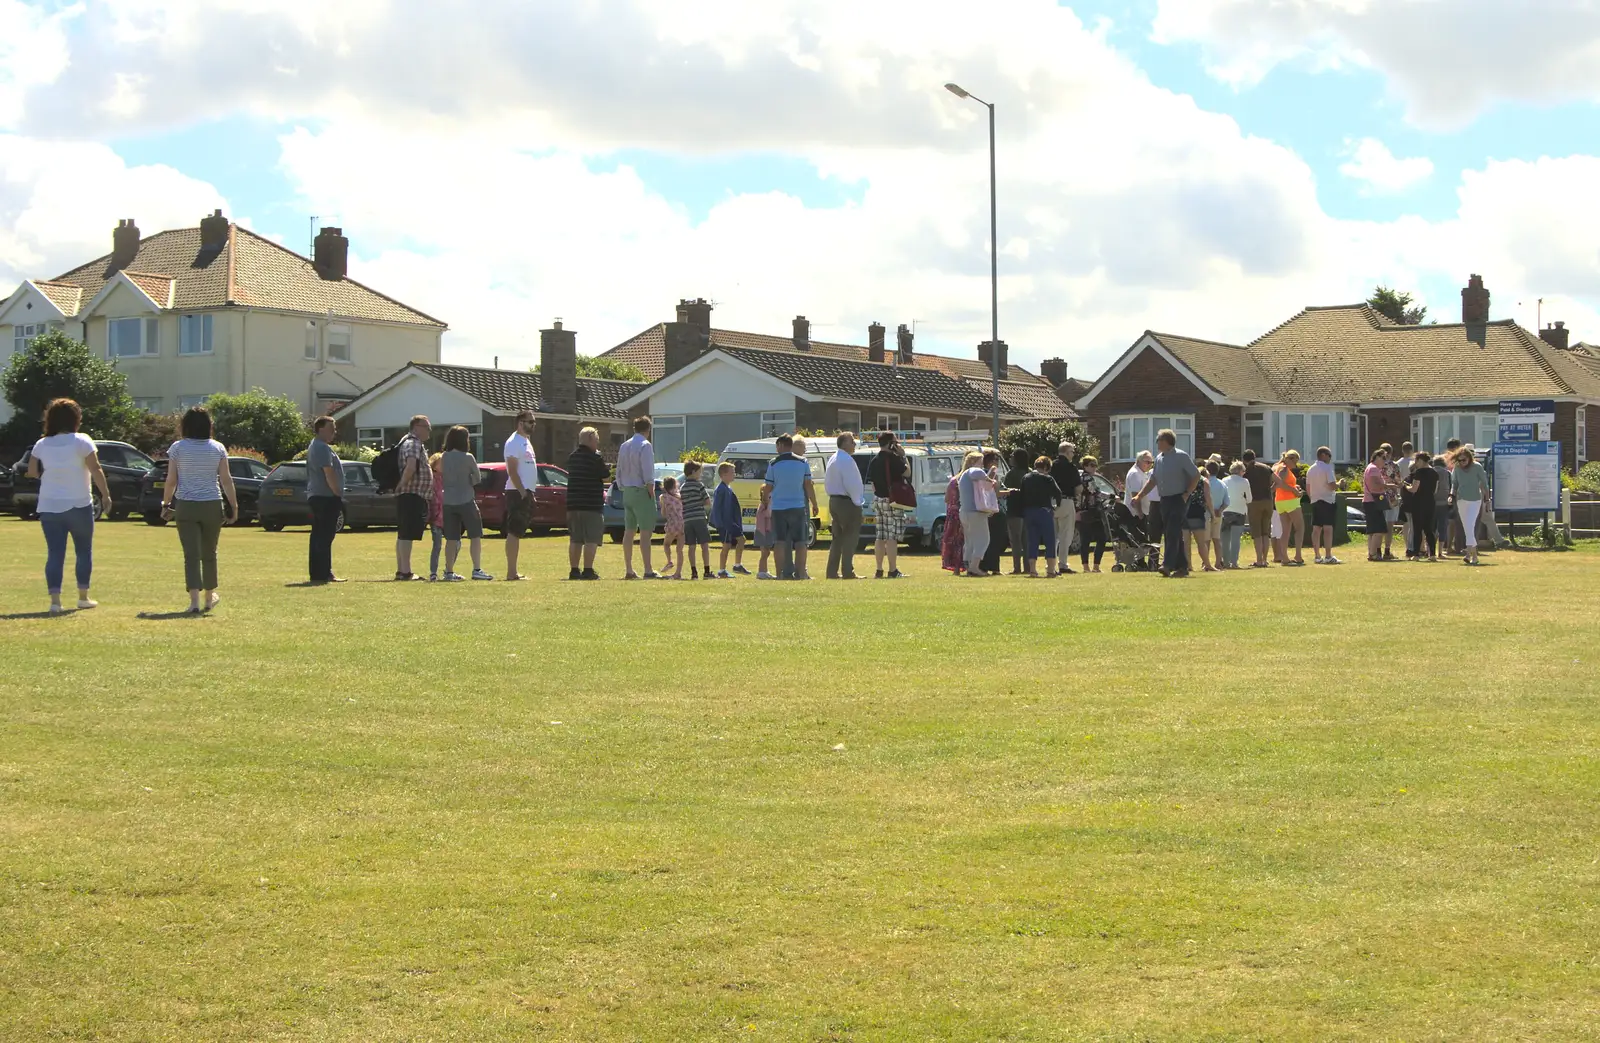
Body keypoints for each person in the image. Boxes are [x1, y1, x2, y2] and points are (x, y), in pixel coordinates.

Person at [28, 398, 113, 614]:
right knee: (83, 551)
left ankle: (55, 601)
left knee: (55, 553)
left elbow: (32, 472)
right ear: (75, 419)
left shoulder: (41, 444)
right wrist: (105, 495)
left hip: (49, 505)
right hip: (79, 503)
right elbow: (96, 469)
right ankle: (83, 597)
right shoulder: (82, 441)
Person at [159, 405, 238, 613]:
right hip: (212, 503)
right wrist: (234, 504)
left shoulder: (178, 448)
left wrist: (166, 503)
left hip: (186, 504)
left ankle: (194, 601)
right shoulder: (218, 448)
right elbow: (226, 480)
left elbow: (171, 480)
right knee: (209, 552)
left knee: (191, 554)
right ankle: (209, 599)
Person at [1134, 429, 1200, 578]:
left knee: (1172, 531)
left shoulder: (1181, 456)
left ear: (1166, 441)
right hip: (1165, 499)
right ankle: (1182, 567)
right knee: (1173, 533)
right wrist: (1139, 495)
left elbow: (1196, 475)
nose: (1157, 443)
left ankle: (1168, 565)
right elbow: (1153, 480)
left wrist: (1187, 493)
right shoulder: (1159, 459)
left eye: (1159, 440)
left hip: (1179, 498)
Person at [439, 425, 491, 581]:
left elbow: (442, 476)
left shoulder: (444, 457)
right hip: (466, 499)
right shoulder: (468, 457)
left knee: (451, 538)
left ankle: (449, 571)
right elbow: (477, 479)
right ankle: (476, 569)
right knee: (475, 535)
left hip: (448, 500)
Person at [765, 434, 816, 580]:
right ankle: (801, 573)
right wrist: (814, 503)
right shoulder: (802, 462)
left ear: (781, 445)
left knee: (780, 542)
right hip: (798, 506)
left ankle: (780, 574)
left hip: (779, 508)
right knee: (801, 542)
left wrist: (765, 499)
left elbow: (768, 486)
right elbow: (808, 485)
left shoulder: (773, 463)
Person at [617, 416, 659, 580]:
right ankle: (648, 569)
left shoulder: (624, 445)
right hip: (641, 490)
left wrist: (622, 486)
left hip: (626, 490)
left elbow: (619, 468)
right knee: (646, 532)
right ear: (648, 429)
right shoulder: (645, 445)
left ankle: (629, 569)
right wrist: (651, 490)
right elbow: (648, 471)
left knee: (629, 531)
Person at [564, 426, 609, 581]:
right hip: (591, 504)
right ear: (590, 439)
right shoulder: (595, 458)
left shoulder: (572, 457)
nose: (597, 443)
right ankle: (588, 570)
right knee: (591, 539)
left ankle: (574, 570)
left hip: (573, 504)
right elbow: (605, 475)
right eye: (596, 439)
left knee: (575, 539)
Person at [304, 416, 344, 585]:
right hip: (325, 497)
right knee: (324, 536)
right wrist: (337, 493)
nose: (334, 432)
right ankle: (323, 573)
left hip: (319, 496)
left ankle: (319, 572)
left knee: (320, 535)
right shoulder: (320, 447)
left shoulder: (319, 446)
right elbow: (328, 472)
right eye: (331, 428)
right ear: (321, 429)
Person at [393, 414, 432, 581]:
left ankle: (402, 569)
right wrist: (402, 485)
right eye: (426, 427)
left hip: (412, 494)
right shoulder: (413, 443)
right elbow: (410, 467)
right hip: (411, 494)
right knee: (407, 534)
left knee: (404, 533)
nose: (429, 430)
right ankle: (405, 571)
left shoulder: (409, 442)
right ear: (416, 427)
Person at [502, 410, 538, 581]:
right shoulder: (513, 442)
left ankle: (513, 571)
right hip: (516, 492)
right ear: (520, 423)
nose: (533, 425)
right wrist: (523, 492)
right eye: (530, 422)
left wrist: (530, 491)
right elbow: (512, 470)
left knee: (519, 531)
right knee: (514, 531)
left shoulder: (526, 441)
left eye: (534, 422)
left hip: (526, 491)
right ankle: (511, 572)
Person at [824, 432, 865, 580]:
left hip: (834, 501)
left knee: (837, 538)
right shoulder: (846, 460)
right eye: (852, 441)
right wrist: (857, 502)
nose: (854, 444)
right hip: (846, 502)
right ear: (844, 443)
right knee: (850, 537)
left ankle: (831, 572)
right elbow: (852, 484)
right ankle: (848, 571)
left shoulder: (833, 458)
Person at [867, 432, 908, 579]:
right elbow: (907, 473)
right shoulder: (894, 459)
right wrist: (903, 456)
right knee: (891, 536)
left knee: (880, 535)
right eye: (895, 442)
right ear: (890, 443)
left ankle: (879, 569)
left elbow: (872, 483)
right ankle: (892, 570)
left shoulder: (874, 460)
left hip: (878, 499)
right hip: (892, 500)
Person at [1019, 455, 1063, 577]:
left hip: (1029, 512)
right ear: (1045, 467)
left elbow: (1021, 495)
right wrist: (1056, 507)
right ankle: (1050, 570)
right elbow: (1058, 494)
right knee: (1050, 540)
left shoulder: (1026, 478)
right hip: (1044, 511)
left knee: (1032, 540)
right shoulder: (1047, 479)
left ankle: (1032, 570)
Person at [956, 451, 994, 576]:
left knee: (970, 540)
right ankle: (974, 567)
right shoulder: (973, 471)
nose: (982, 465)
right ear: (973, 462)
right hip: (975, 512)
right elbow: (976, 473)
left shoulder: (962, 476)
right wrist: (989, 478)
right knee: (983, 539)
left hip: (964, 511)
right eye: (980, 462)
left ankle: (968, 565)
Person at [1450, 446, 1490, 566]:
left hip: (1475, 500)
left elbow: (1484, 484)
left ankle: (1471, 554)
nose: (1462, 463)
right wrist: (1451, 495)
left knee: (1470, 526)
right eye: (1460, 460)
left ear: (1469, 458)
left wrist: (1487, 500)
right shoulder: (1456, 468)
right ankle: (1472, 555)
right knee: (1467, 527)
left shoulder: (1477, 467)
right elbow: (1454, 484)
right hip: (1461, 499)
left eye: (1464, 460)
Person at [711, 461, 749, 578]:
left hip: (730, 522)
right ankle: (722, 570)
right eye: (732, 472)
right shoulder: (721, 489)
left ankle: (737, 565)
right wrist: (724, 523)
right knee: (727, 545)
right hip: (726, 523)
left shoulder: (727, 488)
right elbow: (720, 508)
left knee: (741, 540)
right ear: (723, 475)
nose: (734, 474)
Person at [1241, 449, 1277, 568]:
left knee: (1257, 533)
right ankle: (1265, 559)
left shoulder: (1246, 471)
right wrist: (1270, 490)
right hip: (1268, 501)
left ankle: (1259, 559)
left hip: (1254, 502)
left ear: (1244, 460)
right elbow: (1277, 481)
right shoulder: (1266, 467)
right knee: (1265, 532)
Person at [1305, 446, 1340, 565]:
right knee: (1328, 528)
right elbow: (1332, 485)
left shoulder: (1310, 469)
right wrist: (1340, 484)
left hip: (1315, 500)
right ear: (1324, 455)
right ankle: (1328, 555)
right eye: (1329, 456)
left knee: (1316, 528)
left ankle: (1317, 556)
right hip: (1327, 500)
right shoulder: (1327, 468)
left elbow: (1308, 487)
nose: (1330, 459)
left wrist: (1312, 498)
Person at [1180, 460, 1217, 573]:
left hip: (1184, 512)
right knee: (1201, 542)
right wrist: (1212, 513)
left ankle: (1188, 565)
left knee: (1186, 542)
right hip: (1197, 513)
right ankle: (1207, 564)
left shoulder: (1184, 481)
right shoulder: (1203, 481)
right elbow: (1208, 498)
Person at [680, 460, 714, 580]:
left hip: (687, 519)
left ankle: (693, 572)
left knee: (691, 546)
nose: (700, 474)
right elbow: (707, 502)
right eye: (700, 472)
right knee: (704, 545)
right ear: (694, 472)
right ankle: (707, 570)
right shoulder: (699, 485)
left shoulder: (682, 487)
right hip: (699, 517)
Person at [1051, 441, 1080, 574]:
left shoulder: (1051, 465)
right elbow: (1078, 487)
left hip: (1051, 502)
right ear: (1067, 452)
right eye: (1072, 452)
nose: (1073, 455)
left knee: (1053, 535)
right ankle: (1063, 564)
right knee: (1066, 535)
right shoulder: (1070, 467)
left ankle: (1050, 564)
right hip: (1066, 501)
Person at [1404, 451, 1439, 561]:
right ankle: (1432, 554)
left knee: (1417, 529)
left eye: (1416, 460)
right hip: (1430, 502)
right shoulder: (1434, 473)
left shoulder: (1419, 472)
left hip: (1418, 502)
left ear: (1420, 460)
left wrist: (1406, 486)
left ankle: (1416, 554)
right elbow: (1435, 490)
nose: (1415, 463)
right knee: (1429, 529)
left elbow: (1414, 489)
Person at [1076, 456, 1108, 573]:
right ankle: (1095, 566)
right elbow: (1096, 493)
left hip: (1082, 512)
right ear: (1085, 466)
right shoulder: (1087, 478)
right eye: (1091, 465)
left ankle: (1087, 567)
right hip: (1091, 512)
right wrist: (1113, 497)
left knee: (1085, 540)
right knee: (1101, 538)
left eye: (1095, 465)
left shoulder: (1081, 478)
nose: (1094, 467)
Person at [1274, 450, 1306, 566]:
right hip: (1290, 501)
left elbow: (1281, 483)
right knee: (1300, 527)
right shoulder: (1283, 469)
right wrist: (1293, 490)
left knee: (1286, 531)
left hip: (1280, 501)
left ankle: (1285, 558)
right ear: (1290, 459)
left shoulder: (1277, 467)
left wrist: (1295, 486)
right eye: (1295, 461)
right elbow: (1280, 483)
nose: (1296, 464)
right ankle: (1298, 556)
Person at [1360, 448, 1393, 562]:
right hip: (1373, 502)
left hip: (1369, 501)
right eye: (1383, 458)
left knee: (1372, 531)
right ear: (1377, 457)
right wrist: (1389, 486)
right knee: (1379, 530)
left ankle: (1371, 553)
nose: (1385, 461)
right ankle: (1373, 554)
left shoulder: (1370, 468)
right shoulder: (1373, 469)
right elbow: (1375, 486)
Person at [980, 449, 1008, 576]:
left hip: (987, 510)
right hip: (994, 510)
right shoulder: (991, 474)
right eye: (995, 460)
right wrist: (1008, 492)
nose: (997, 462)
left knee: (988, 540)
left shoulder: (982, 474)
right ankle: (993, 567)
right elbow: (994, 492)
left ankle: (986, 565)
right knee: (996, 540)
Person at [1002, 448, 1030, 575]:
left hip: (1014, 510)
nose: (1010, 458)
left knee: (1015, 541)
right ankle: (1028, 567)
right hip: (1028, 510)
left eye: (1012, 456)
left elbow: (1005, 490)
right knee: (1027, 541)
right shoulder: (1029, 472)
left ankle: (1017, 568)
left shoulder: (1012, 473)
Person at [1220, 460, 1251, 570]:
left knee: (1225, 538)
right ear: (1241, 471)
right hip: (1239, 511)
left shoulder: (1224, 480)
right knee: (1235, 539)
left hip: (1226, 510)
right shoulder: (1245, 481)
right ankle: (1234, 562)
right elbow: (1249, 499)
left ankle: (1226, 562)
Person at [1124, 451, 1158, 544]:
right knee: (1139, 543)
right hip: (1136, 514)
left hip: (1142, 512)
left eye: (1151, 463)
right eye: (1147, 462)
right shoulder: (1135, 474)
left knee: (1142, 543)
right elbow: (1135, 495)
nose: (1150, 465)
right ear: (1139, 461)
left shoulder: (1141, 472)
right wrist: (1140, 514)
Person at [1203, 459, 1228, 571]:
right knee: (1217, 539)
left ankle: (1206, 562)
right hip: (1218, 514)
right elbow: (1227, 501)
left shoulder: (1205, 482)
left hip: (1206, 514)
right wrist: (1220, 509)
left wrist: (1211, 510)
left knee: (1206, 540)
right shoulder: (1222, 484)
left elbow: (1204, 499)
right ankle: (1218, 562)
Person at [941, 464, 966, 574]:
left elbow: (946, 499)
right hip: (961, 512)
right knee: (962, 541)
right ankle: (963, 566)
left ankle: (955, 568)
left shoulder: (953, 480)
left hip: (951, 514)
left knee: (952, 541)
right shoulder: (965, 481)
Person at [659, 475, 684, 578]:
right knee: (679, 550)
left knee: (666, 544)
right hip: (682, 523)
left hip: (672, 524)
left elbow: (664, 513)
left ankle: (669, 561)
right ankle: (678, 572)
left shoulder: (663, 497)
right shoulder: (680, 496)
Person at [1431, 452, 1454, 557]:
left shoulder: (1430, 472)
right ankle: (1440, 552)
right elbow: (1451, 487)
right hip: (1444, 503)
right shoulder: (1447, 473)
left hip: (1431, 504)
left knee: (1431, 528)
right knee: (1442, 528)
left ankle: (1430, 550)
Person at [427, 453, 445, 581]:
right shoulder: (431, 479)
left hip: (447, 516)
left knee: (456, 543)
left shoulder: (446, 478)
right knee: (437, 545)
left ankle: (448, 570)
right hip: (436, 518)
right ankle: (433, 572)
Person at [754, 483, 775, 579]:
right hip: (761, 532)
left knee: (767, 552)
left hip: (766, 532)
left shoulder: (766, 506)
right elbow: (768, 514)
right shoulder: (762, 507)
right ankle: (761, 571)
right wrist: (770, 504)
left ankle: (765, 571)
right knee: (764, 552)